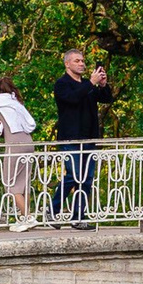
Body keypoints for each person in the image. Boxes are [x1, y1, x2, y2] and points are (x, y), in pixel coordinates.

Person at [51, 48, 115, 227]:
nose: (81, 64)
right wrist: (91, 84)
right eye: (77, 61)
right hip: (70, 139)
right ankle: (52, 210)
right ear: (67, 64)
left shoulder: (88, 83)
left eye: (82, 61)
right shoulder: (62, 84)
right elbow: (72, 99)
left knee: (86, 179)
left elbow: (106, 99)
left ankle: (78, 217)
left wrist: (102, 85)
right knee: (75, 175)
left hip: (89, 138)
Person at [0, 75, 37, 230]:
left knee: (11, 183)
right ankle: (25, 217)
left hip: (14, 144)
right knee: (23, 183)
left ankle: (28, 218)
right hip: (28, 142)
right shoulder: (15, 102)